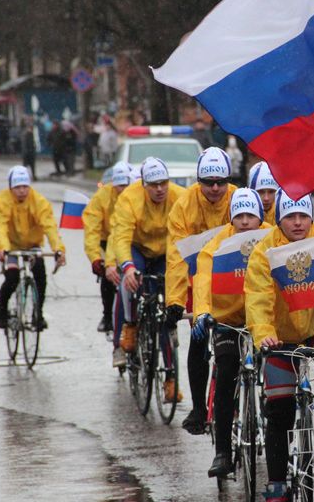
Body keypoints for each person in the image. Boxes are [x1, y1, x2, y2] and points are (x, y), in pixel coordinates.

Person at [245, 191, 314, 502]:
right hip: (279, 335)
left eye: (304, 216)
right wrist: (263, 333)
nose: (298, 222)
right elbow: (258, 297)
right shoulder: (264, 249)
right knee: (279, 411)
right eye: (290, 216)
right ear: (279, 219)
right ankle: (277, 483)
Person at [192, 188, 271, 478]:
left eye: (251, 215)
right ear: (231, 217)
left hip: (263, 322)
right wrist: (202, 311)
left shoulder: (272, 238)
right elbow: (202, 278)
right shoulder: (217, 243)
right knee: (226, 375)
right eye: (239, 216)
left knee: (275, 379)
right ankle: (223, 452)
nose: (245, 221)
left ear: (259, 217)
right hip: (228, 322)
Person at [165, 146, 237, 434]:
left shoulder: (238, 199)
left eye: (221, 181)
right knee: (198, 339)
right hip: (200, 281)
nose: (216, 188)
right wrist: (174, 300)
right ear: (198, 181)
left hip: (236, 279)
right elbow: (176, 255)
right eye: (208, 183)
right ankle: (198, 408)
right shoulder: (183, 206)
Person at [110, 157, 187, 371]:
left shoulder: (180, 195)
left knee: (165, 305)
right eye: (154, 185)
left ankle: (170, 375)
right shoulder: (129, 198)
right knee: (130, 281)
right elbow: (122, 237)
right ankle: (130, 324)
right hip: (138, 248)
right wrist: (128, 267)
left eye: (164, 183)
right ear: (144, 185)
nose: (160, 189)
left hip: (165, 252)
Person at [0, 166, 66, 330]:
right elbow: (0, 226)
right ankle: (1, 308)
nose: (22, 191)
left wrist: (58, 249)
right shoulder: (2, 200)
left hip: (32, 244)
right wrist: (2, 248)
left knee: (40, 272)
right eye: (17, 187)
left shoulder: (39, 201)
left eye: (25, 186)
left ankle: (38, 313)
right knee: (12, 277)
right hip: (10, 245)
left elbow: (49, 226)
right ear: (11, 187)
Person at [83, 161, 132, 333]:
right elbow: (92, 229)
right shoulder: (101, 197)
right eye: (119, 186)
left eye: (126, 185)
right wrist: (96, 258)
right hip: (107, 239)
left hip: (131, 238)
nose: (123, 190)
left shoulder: (137, 194)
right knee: (108, 274)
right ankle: (107, 315)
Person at [248, 161, 279, 225]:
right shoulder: (242, 217)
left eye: (271, 192)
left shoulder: (285, 215)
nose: (266, 198)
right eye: (261, 192)